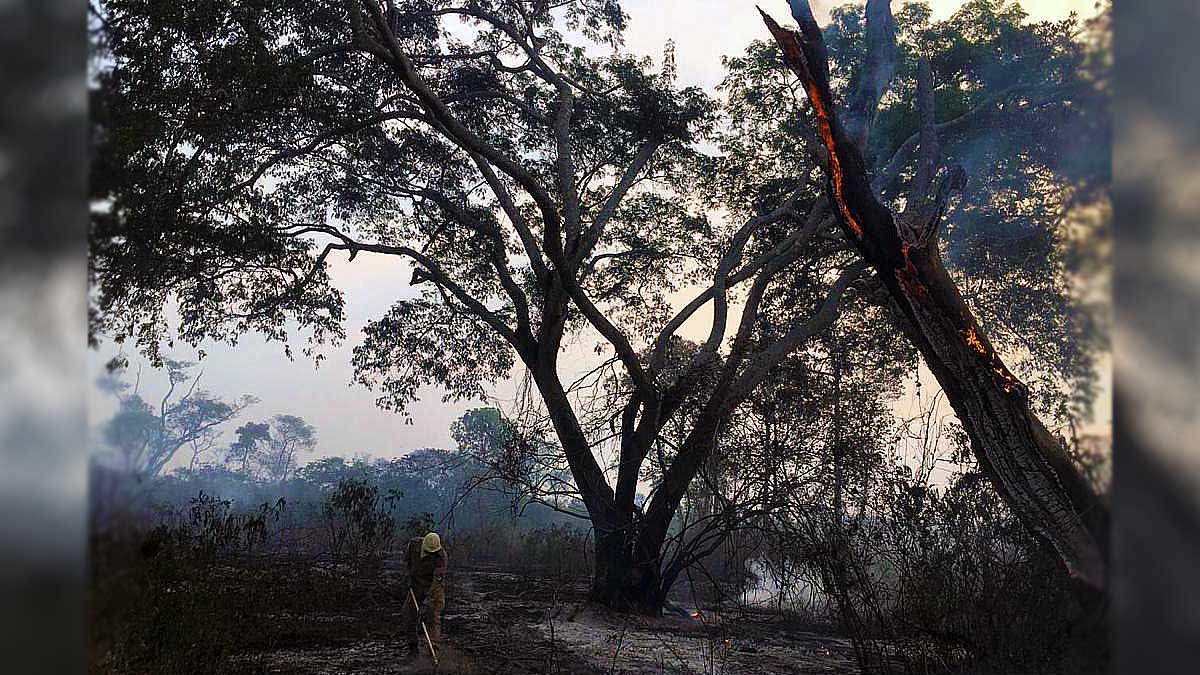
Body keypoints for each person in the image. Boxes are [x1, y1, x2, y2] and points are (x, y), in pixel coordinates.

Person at [402, 531, 447, 658]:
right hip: (416, 585)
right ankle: (413, 648)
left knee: (433, 616)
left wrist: (426, 604)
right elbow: (407, 562)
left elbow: (437, 582)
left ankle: (433, 652)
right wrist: (408, 576)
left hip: (433, 588)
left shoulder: (441, 557)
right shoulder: (413, 544)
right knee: (407, 613)